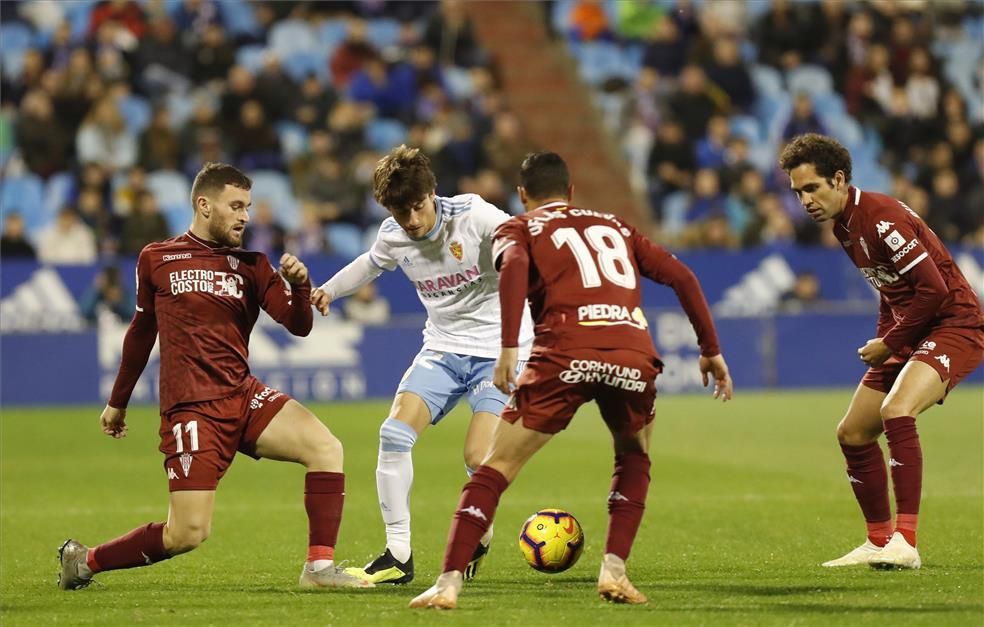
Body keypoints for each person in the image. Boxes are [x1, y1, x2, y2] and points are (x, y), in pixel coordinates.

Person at [410, 152, 733, 609]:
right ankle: (614, 571)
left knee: (494, 468)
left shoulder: (518, 228)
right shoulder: (618, 227)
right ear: (572, 191)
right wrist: (710, 349)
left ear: (523, 195)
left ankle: (447, 583)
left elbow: (516, 267)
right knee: (634, 456)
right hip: (631, 353)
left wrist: (507, 348)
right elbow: (681, 276)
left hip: (563, 352)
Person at [57, 163, 371, 591]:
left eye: (248, 207)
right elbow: (141, 332)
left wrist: (299, 286)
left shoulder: (253, 265)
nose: (245, 216)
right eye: (236, 206)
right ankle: (85, 561)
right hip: (192, 410)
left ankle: (318, 571)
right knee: (187, 534)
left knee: (326, 448)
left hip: (243, 397)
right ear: (204, 205)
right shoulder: (157, 257)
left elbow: (298, 325)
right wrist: (118, 401)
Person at [311, 145, 534, 585]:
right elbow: (371, 265)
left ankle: (480, 530)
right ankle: (398, 556)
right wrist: (329, 290)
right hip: (443, 349)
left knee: (476, 455)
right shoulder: (394, 234)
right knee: (393, 434)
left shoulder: (474, 215)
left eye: (416, 207)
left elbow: (523, 249)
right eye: (399, 212)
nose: (410, 221)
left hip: (499, 352)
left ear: (432, 192)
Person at [779, 133, 984, 569]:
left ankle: (905, 542)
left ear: (838, 179)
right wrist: (890, 344)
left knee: (896, 411)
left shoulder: (879, 217)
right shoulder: (843, 224)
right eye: (798, 192)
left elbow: (934, 289)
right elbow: (890, 293)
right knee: (852, 432)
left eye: (812, 188)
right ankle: (878, 540)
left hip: (955, 325)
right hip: (911, 331)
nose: (805, 200)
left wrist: (890, 343)